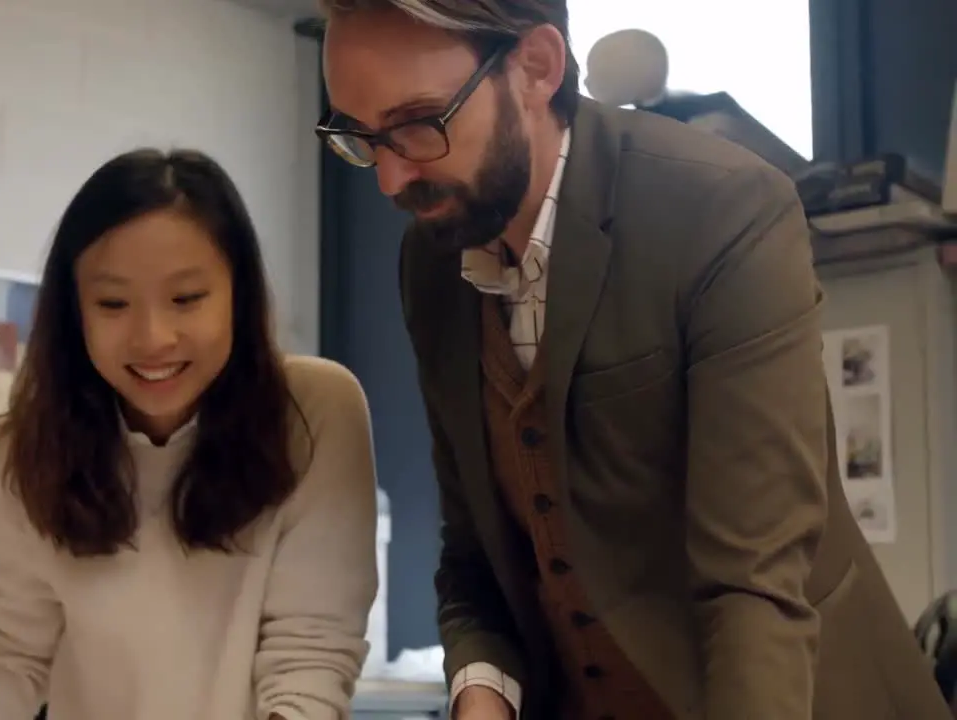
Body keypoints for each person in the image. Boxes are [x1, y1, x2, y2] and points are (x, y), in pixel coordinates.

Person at [317, 2, 950, 719]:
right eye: (361, 138)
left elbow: (757, 585)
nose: (390, 181)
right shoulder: (431, 261)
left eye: (419, 124)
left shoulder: (720, 208)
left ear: (537, 67)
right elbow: (476, 555)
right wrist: (481, 693)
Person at [0, 148, 379, 720]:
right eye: (113, 303)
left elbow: (309, 658)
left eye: (186, 299)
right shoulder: (22, 456)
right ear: (74, 313)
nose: (153, 338)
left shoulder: (315, 414)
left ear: (239, 295)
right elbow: (13, 660)